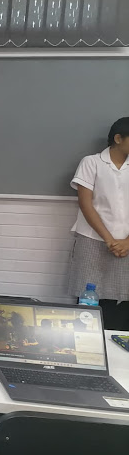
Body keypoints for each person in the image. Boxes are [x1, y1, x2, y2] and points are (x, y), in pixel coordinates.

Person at [68, 117, 129, 331]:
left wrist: (126, 242)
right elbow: (86, 204)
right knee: (89, 301)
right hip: (93, 240)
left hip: (126, 244)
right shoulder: (91, 162)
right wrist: (110, 240)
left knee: (122, 301)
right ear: (118, 138)